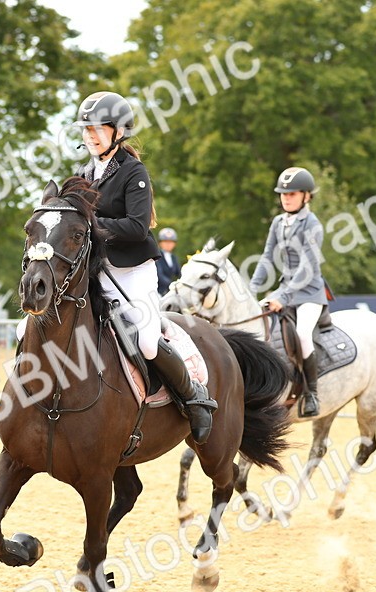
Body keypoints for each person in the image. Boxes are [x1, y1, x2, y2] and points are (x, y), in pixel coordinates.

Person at [73, 91, 215, 442]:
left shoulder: (134, 171)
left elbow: (137, 226)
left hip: (133, 272)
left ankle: (194, 398)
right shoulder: (83, 171)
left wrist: (94, 227)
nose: (90, 135)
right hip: (96, 273)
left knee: (148, 343)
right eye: (85, 129)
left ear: (118, 132)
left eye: (97, 129)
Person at [249, 167, 328, 417]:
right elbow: (266, 257)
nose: (286, 197)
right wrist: (250, 290)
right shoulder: (278, 222)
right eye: (283, 193)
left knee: (303, 334)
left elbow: (307, 269)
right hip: (284, 290)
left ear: (306, 196)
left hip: (310, 294)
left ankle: (311, 393)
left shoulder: (313, 225)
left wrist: (282, 297)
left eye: (292, 193)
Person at [155, 227, 181, 297]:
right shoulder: (157, 256)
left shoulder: (174, 257)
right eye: (165, 242)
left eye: (171, 242)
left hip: (170, 291)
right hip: (158, 291)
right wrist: (173, 285)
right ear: (160, 243)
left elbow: (179, 273)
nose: (168, 244)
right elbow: (159, 276)